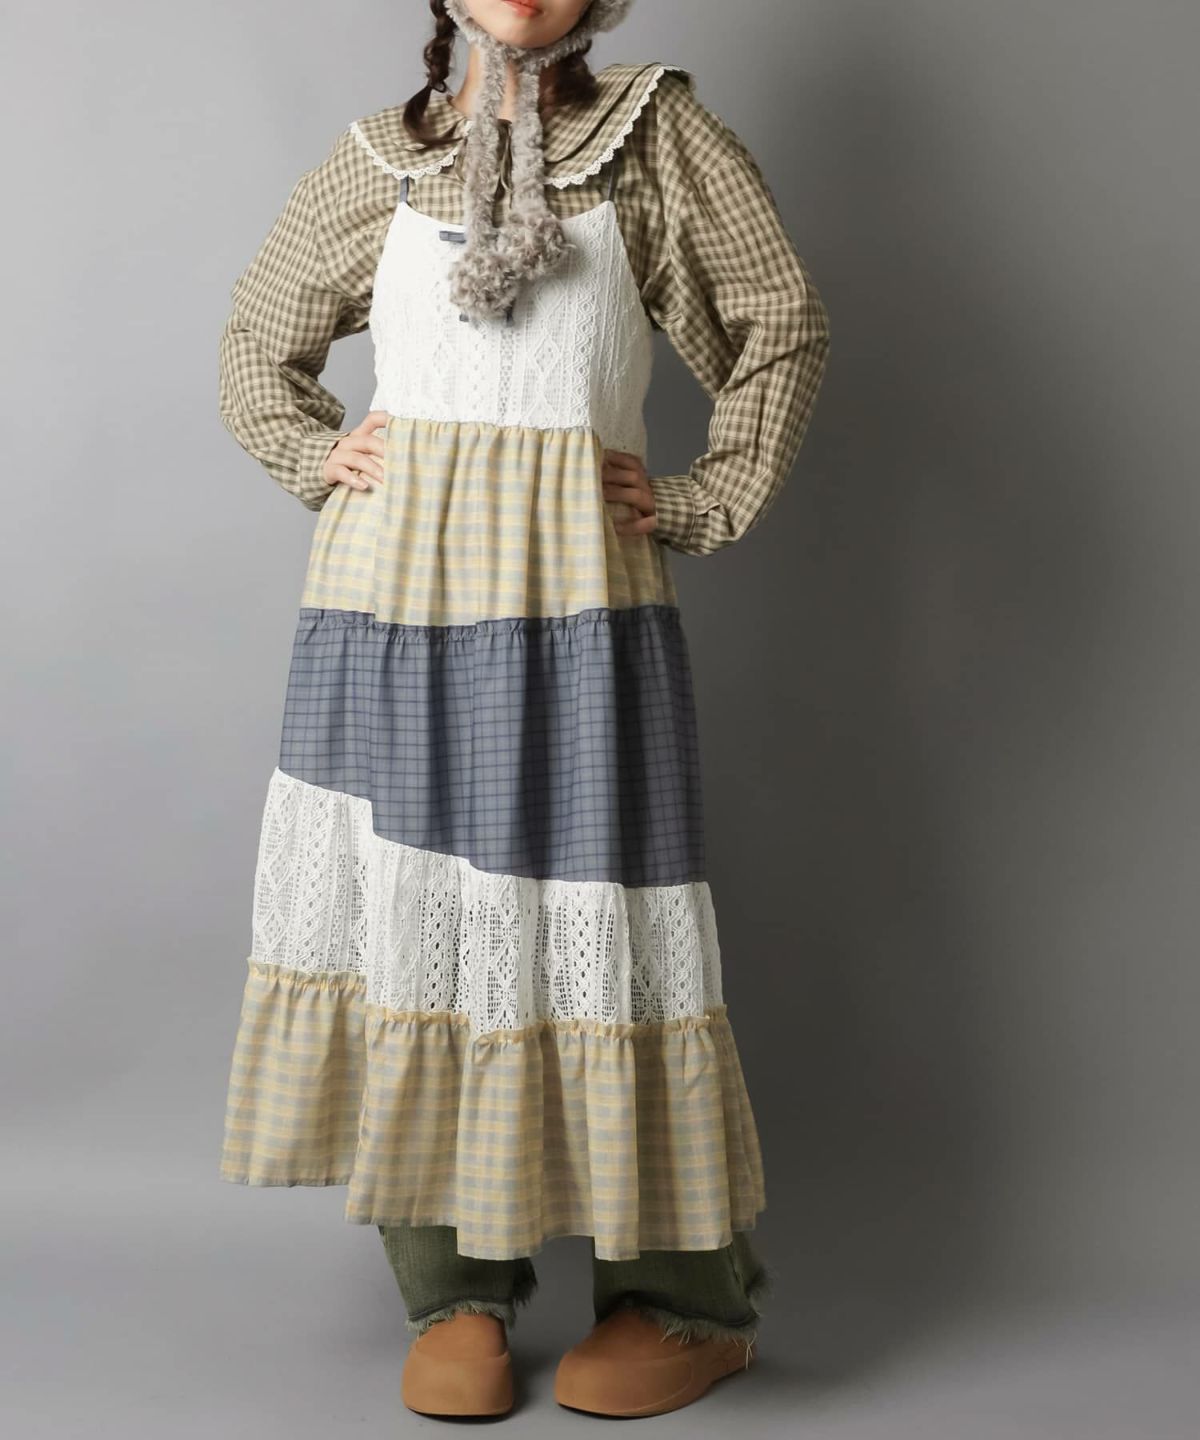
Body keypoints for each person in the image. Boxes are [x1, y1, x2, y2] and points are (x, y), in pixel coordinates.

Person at [216, 0, 830, 1421]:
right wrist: (321, 454)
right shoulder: (383, 157)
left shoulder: (655, 138)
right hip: (392, 604)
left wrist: (701, 496)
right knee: (417, 920)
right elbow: (258, 337)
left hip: (576, 600)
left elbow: (781, 324)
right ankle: (454, 1291)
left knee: (606, 921)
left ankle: (685, 1302)